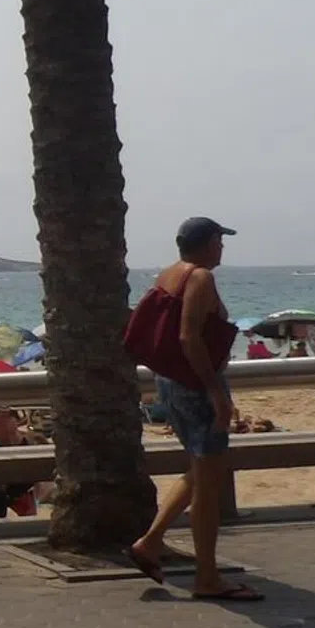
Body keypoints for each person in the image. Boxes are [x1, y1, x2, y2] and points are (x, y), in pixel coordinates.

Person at [126, 217, 258, 601]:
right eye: (219, 240)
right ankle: (207, 578)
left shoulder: (169, 274)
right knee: (210, 485)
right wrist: (216, 392)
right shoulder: (200, 278)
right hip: (196, 386)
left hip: (169, 381)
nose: (222, 247)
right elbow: (188, 337)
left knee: (201, 470)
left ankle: (149, 543)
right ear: (208, 243)